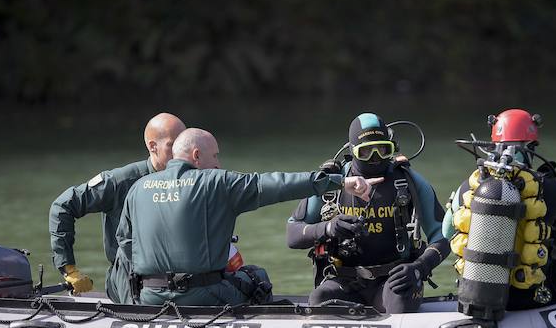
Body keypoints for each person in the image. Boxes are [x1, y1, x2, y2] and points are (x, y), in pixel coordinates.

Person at [115, 128, 380, 306]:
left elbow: (125, 244)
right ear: (197, 156)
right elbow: (278, 184)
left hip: (150, 298)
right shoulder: (216, 182)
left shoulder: (139, 187)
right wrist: (339, 182)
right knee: (256, 277)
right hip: (202, 296)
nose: (218, 163)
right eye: (215, 155)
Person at [287, 113, 450, 313]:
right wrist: (328, 227)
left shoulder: (409, 182)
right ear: (352, 151)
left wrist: (420, 267)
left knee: (400, 302)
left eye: (382, 150)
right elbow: (292, 234)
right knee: (319, 298)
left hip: (394, 280)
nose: (375, 158)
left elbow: (444, 235)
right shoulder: (331, 183)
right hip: (345, 281)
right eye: (365, 152)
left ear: (392, 148)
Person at [443, 109, 556, 310]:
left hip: (480, 296)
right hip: (535, 298)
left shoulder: (470, 187)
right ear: (531, 147)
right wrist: (549, 231)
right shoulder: (553, 189)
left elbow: (447, 232)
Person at [49, 112, 186, 301]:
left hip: (173, 275)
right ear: (153, 146)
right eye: (173, 145)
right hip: (128, 275)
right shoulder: (120, 181)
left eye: (184, 144)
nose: (181, 152)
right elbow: (63, 206)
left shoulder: (190, 182)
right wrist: (69, 268)